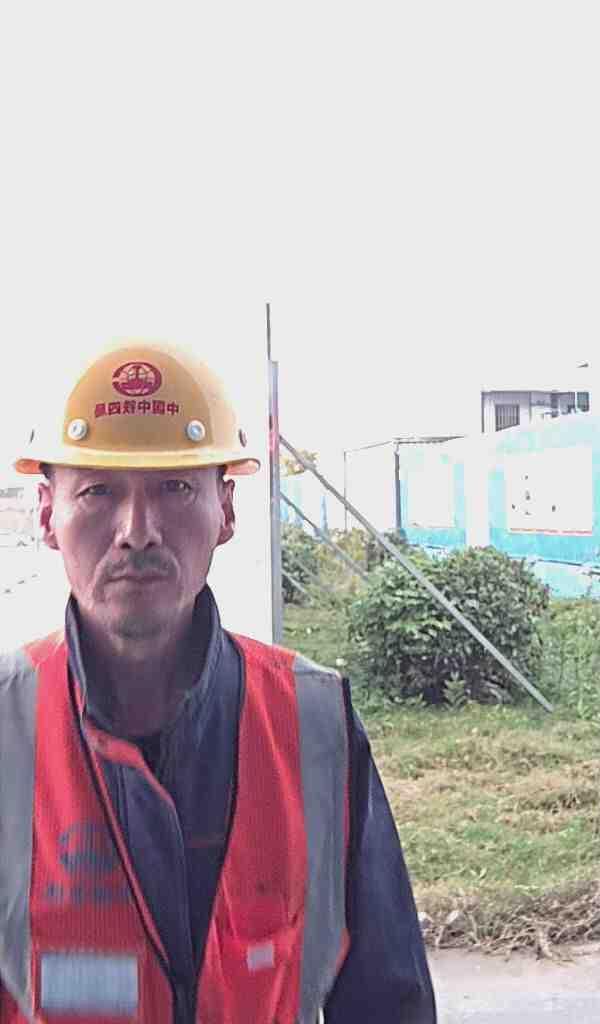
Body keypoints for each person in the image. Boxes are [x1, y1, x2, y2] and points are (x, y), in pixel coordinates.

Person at [0, 342, 436, 1023]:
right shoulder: (6, 723)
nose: (136, 532)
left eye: (175, 488)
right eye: (98, 491)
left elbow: (388, 1000)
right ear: (48, 513)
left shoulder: (314, 722)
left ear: (225, 510)